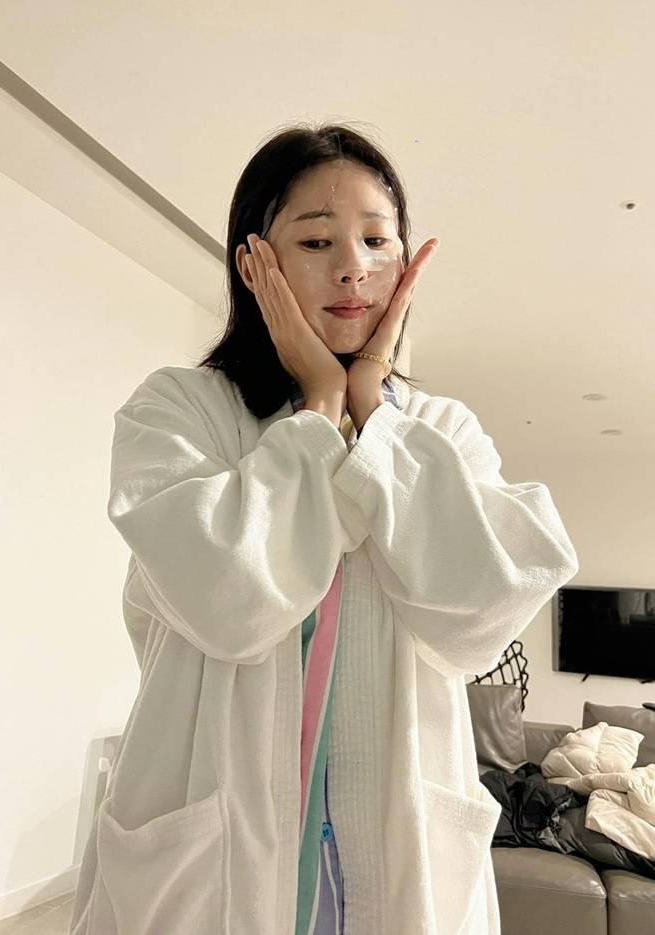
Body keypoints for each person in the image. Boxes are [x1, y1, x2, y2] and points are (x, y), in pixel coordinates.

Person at [68, 122, 580, 935]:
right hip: (216, 869)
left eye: (377, 240)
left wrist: (373, 412)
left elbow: (485, 610)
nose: (353, 267)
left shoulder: (442, 430)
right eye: (316, 240)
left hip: (399, 866)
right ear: (254, 263)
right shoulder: (178, 411)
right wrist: (318, 410)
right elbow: (228, 598)